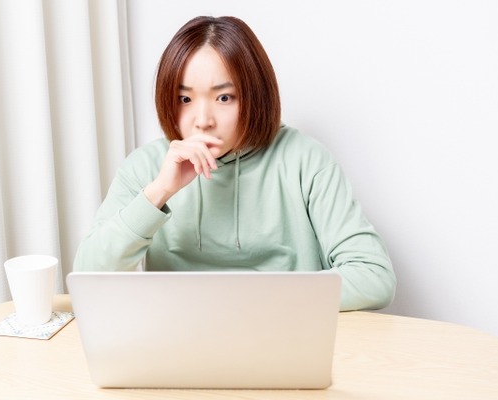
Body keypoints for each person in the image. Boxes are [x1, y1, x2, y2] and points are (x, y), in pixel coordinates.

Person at [73, 16, 396, 311]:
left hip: (280, 332)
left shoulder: (304, 159)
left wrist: (247, 303)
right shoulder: (147, 166)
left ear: (255, 95)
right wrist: (159, 192)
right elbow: (88, 277)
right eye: (185, 99)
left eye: (224, 97)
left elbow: (373, 276)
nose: (203, 120)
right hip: (179, 339)